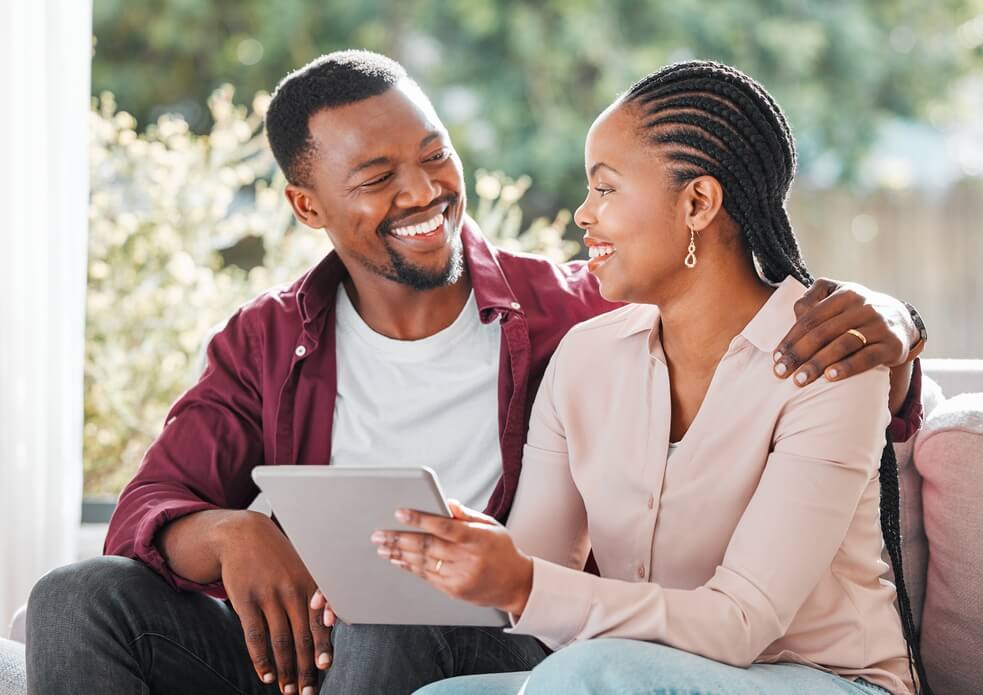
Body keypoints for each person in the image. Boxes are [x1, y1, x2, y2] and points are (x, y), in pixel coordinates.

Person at [25, 52, 926, 695]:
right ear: (309, 205)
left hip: (477, 637)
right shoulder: (268, 339)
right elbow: (147, 509)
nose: (423, 193)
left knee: (389, 614)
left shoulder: (570, 311)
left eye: (434, 155)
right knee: (76, 597)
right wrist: (230, 535)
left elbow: (745, 308)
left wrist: (899, 324)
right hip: (306, 642)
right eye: (377, 176)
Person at [373, 61, 931, 695]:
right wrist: (452, 560)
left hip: (823, 679)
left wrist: (526, 584)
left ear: (697, 202)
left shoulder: (826, 360)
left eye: (605, 190)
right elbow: (536, 574)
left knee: (590, 672)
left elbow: (741, 623)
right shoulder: (585, 359)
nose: (583, 215)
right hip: (635, 674)